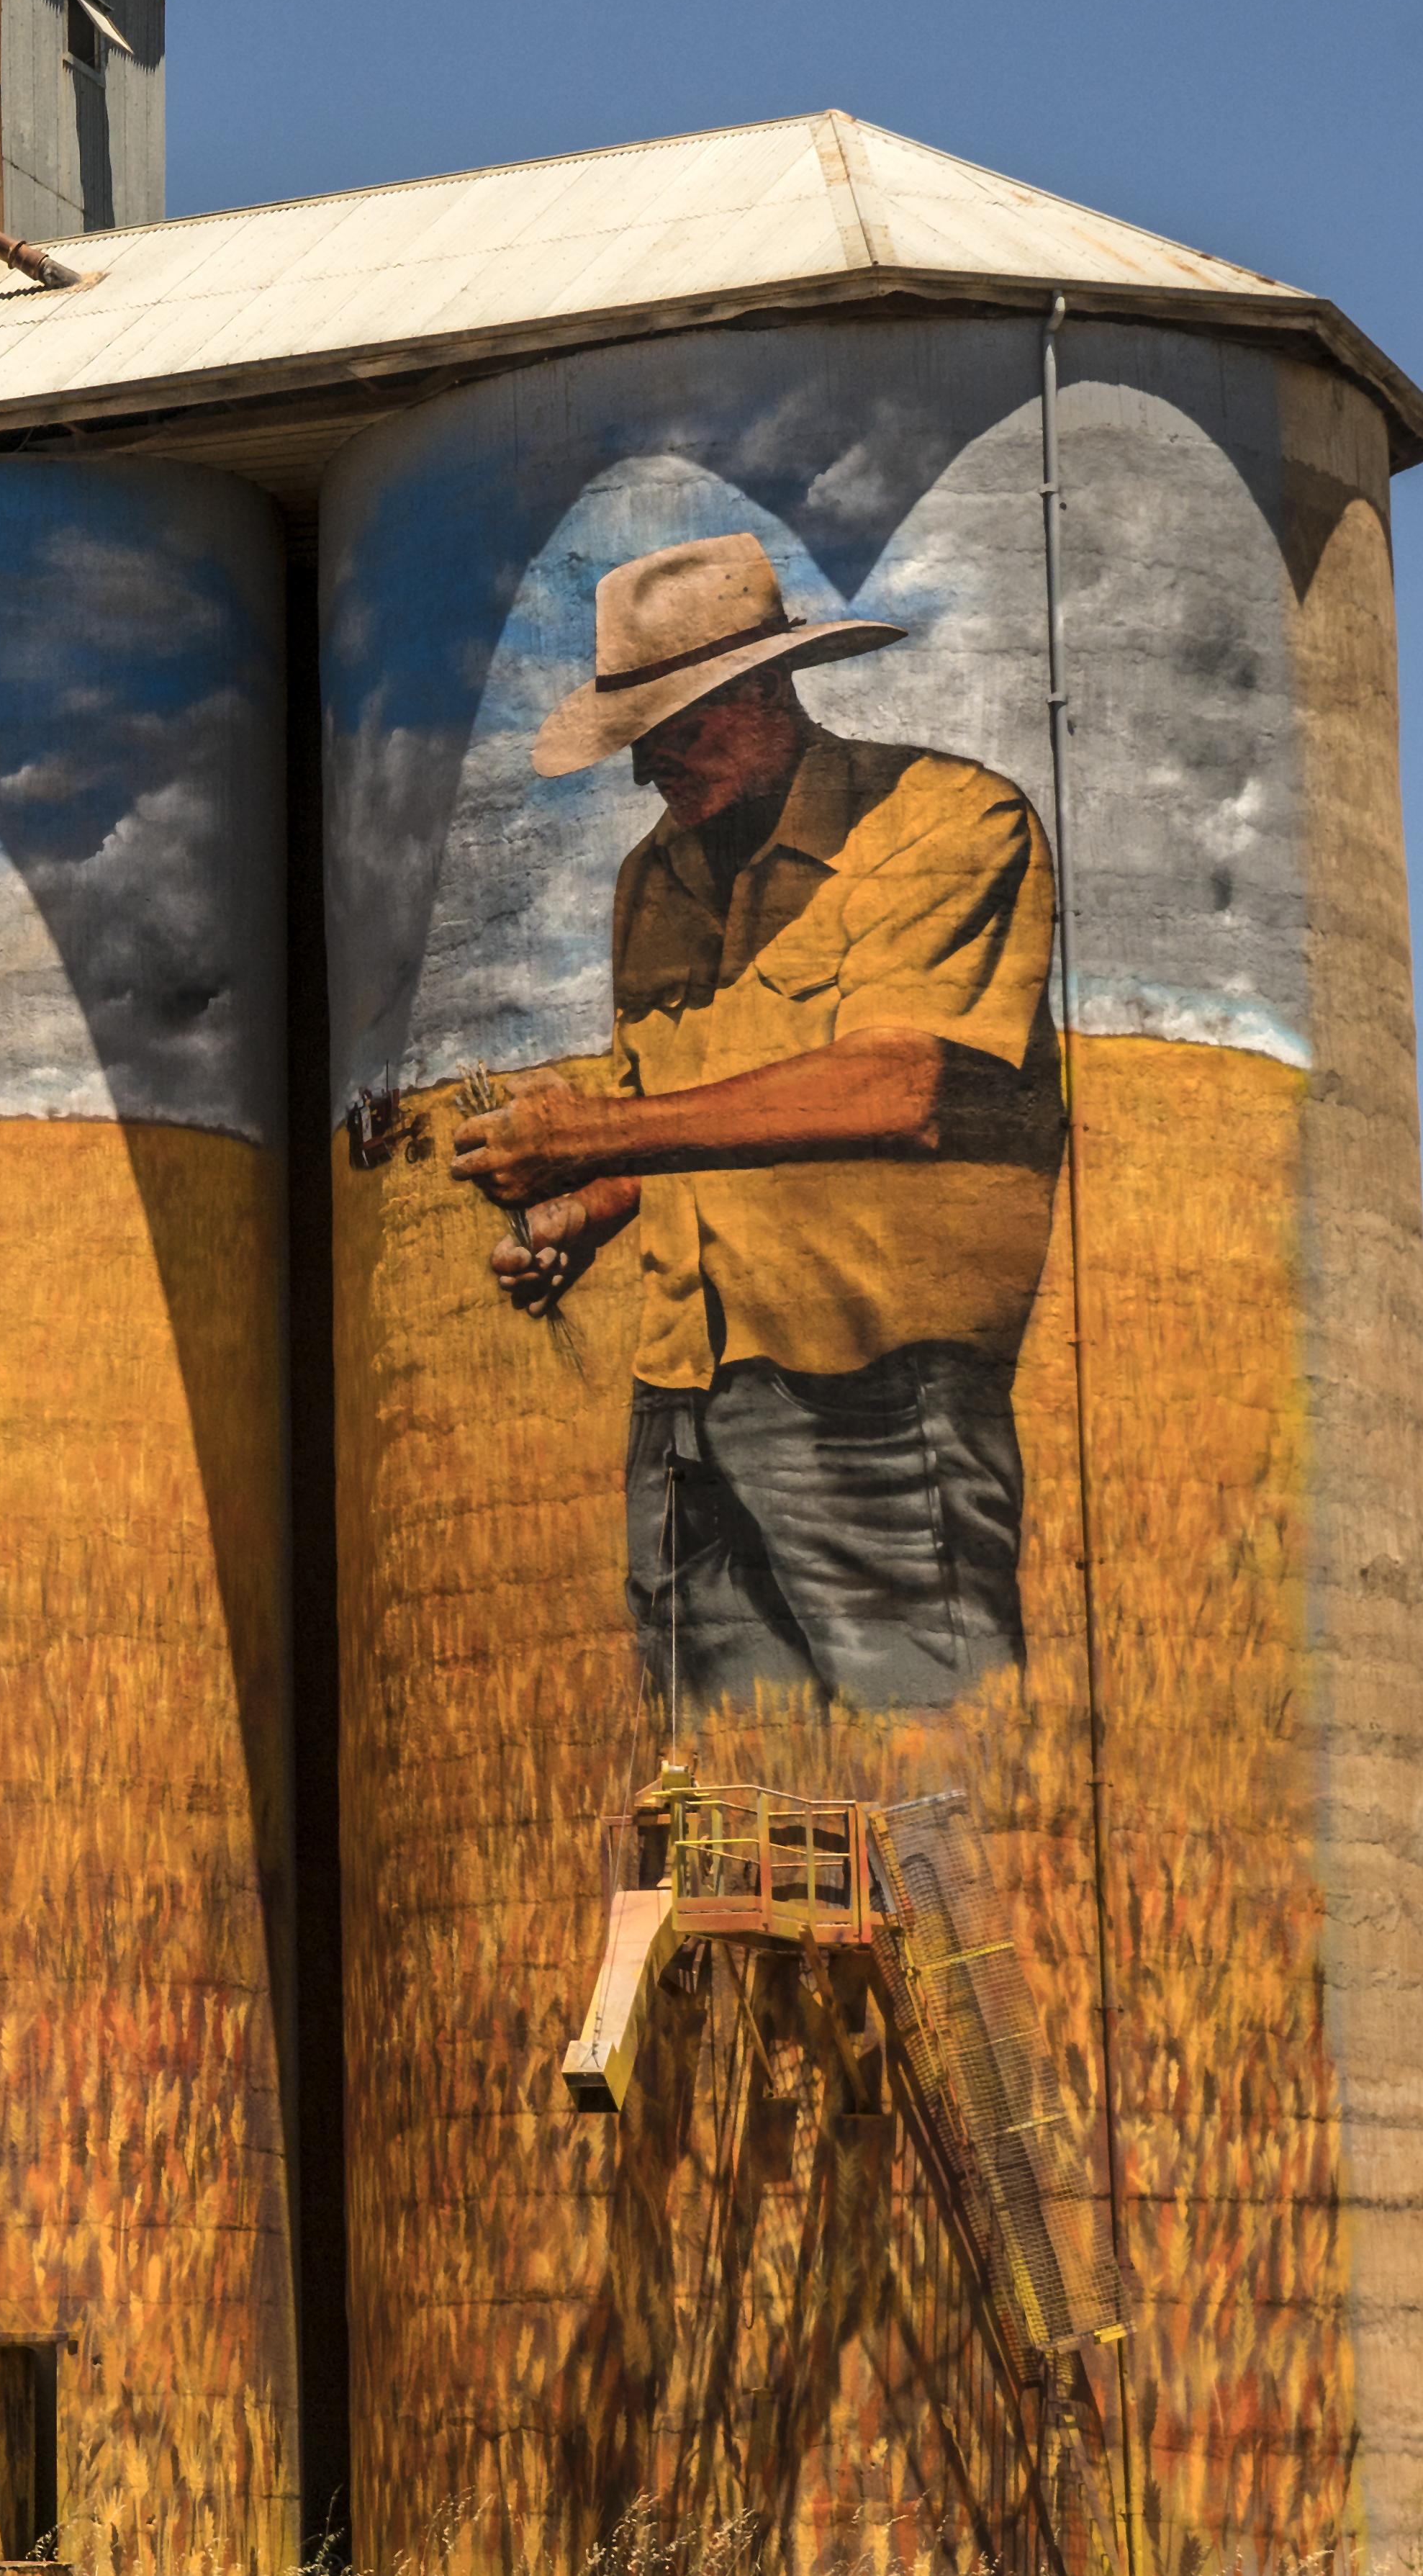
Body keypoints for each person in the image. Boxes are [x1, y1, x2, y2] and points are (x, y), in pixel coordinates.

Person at [447, 536, 1063, 1716]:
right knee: (729, 1808)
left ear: (768, 688)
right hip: (679, 1398)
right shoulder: (652, 880)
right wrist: (582, 1214)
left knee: (932, 1772)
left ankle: (954, 1915)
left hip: (881, 1393)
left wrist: (591, 1139)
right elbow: (671, 1124)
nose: (650, 769)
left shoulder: (945, 823)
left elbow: (901, 1085)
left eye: (680, 727)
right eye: (639, 738)